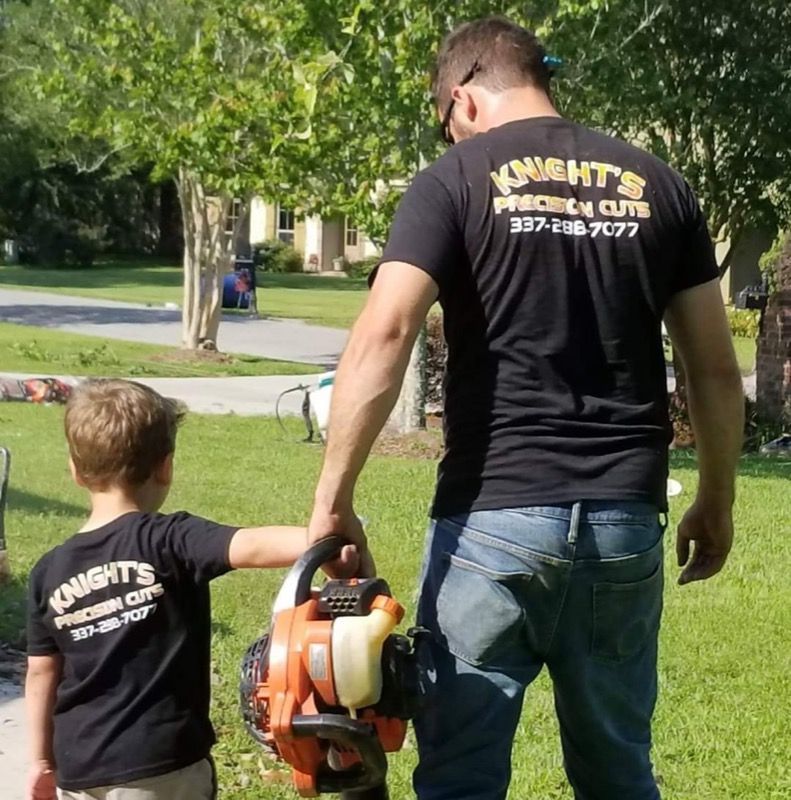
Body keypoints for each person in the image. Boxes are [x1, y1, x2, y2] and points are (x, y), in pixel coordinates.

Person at [307, 16, 744, 800]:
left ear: (464, 97)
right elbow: (712, 366)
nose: (447, 136)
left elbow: (387, 327)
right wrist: (715, 499)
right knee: (616, 769)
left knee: (460, 775)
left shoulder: (453, 180)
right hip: (620, 520)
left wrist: (331, 500)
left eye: (443, 120)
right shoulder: (658, 183)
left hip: (491, 521)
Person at [25, 380, 354, 800]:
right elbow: (249, 545)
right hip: (161, 764)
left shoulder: (48, 570)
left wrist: (40, 760)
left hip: (79, 767)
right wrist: (324, 541)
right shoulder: (168, 539)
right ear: (165, 467)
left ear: (75, 469)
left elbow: (41, 673)